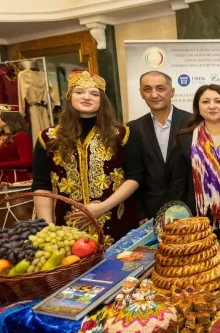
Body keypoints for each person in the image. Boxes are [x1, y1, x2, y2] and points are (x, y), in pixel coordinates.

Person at [32, 70, 142, 242]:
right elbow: (41, 185)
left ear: (102, 100)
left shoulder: (122, 134)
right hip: (66, 228)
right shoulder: (48, 137)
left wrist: (102, 207)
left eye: (94, 93)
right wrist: (47, 229)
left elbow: (135, 176)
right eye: (79, 92)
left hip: (116, 222)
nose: (86, 97)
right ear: (69, 96)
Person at [171, 84, 220, 231]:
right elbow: (178, 183)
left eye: (218, 101)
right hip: (197, 220)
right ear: (198, 108)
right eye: (205, 102)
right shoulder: (184, 138)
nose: (212, 106)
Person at [128, 71, 190, 220]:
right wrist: (140, 213)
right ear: (141, 94)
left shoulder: (192, 122)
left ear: (172, 92)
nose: (154, 94)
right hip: (151, 214)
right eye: (147, 89)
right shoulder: (133, 129)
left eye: (160, 88)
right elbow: (134, 174)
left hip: (190, 210)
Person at [0, 106, 33, 185]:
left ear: (8, 117)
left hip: (16, 181)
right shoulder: (0, 135)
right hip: (0, 180)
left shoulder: (20, 136)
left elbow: (26, 162)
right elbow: (6, 158)